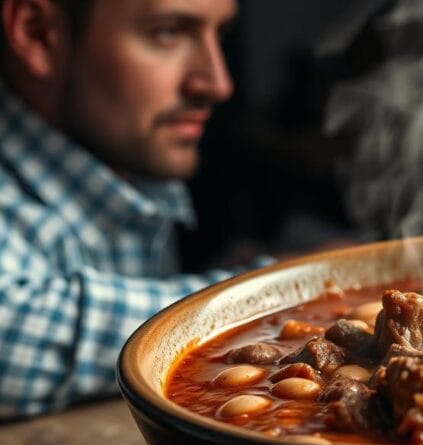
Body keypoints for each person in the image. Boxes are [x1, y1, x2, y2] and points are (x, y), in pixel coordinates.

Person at [0, 0, 257, 419]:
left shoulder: (126, 160)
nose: (217, 83)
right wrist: (270, 298)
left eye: (220, 34)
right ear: (36, 33)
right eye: (168, 32)